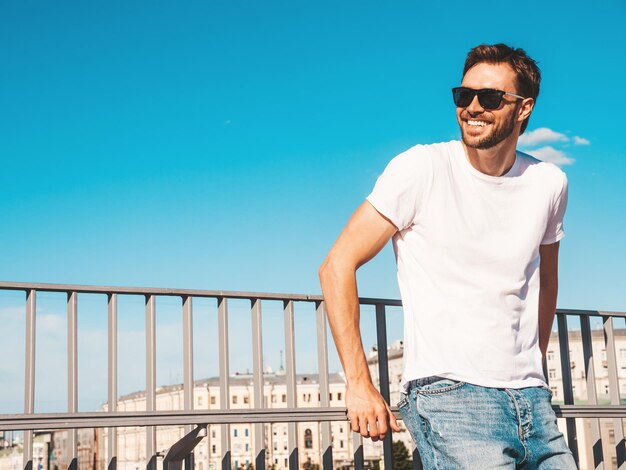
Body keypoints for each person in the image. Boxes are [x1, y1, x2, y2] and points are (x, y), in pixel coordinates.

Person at [318, 43, 576, 469]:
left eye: (490, 97)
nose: (472, 107)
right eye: (464, 95)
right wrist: (359, 382)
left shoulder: (549, 183)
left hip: (532, 398)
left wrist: (535, 365)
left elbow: (547, 281)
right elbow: (336, 265)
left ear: (523, 108)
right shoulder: (422, 168)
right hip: (452, 397)